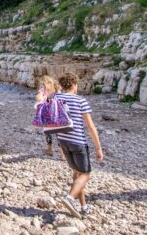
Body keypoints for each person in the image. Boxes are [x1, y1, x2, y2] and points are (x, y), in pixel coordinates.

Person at [54, 73, 104, 218]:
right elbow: (90, 126)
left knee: (77, 173)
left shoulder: (56, 98)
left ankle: (84, 206)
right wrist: (98, 147)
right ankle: (69, 198)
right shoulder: (81, 101)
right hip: (78, 142)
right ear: (75, 84)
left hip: (63, 141)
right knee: (85, 174)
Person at [35, 75, 62, 157]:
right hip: (57, 113)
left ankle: (50, 149)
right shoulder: (57, 89)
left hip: (47, 113)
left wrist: (40, 98)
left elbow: (38, 98)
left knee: (48, 132)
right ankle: (62, 153)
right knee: (59, 133)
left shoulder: (43, 90)